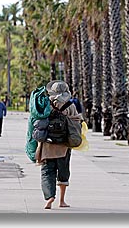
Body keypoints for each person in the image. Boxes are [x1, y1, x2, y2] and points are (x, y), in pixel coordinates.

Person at [37, 80, 82, 209]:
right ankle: (61, 201)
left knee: (47, 171)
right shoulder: (70, 105)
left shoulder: (47, 104)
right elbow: (77, 122)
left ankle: (49, 197)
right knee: (63, 172)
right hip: (64, 145)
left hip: (47, 145)